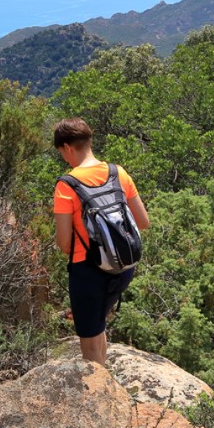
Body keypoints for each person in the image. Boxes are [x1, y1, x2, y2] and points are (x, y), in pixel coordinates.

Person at [52, 117, 150, 365]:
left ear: (67, 147)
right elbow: (143, 222)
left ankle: (99, 396)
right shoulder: (119, 173)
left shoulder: (67, 185)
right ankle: (105, 379)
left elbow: (65, 244)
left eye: (62, 153)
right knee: (99, 324)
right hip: (122, 267)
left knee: (90, 344)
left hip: (87, 271)